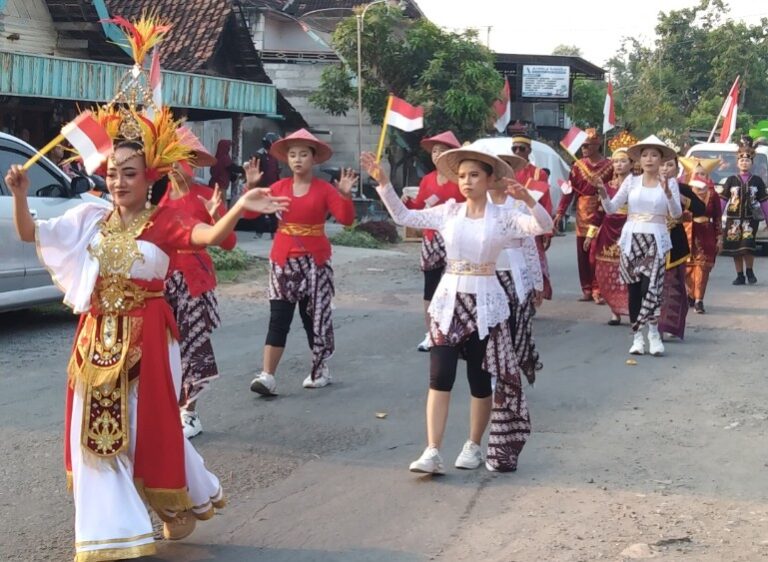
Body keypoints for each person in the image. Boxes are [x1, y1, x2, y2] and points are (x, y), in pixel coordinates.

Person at [5, 105, 289, 559]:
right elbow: (27, 232)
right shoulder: (90, 218)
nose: (118, 182)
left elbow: (210, 236)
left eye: (130, 174)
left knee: (146, 430)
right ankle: (112, 532)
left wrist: (239, 204)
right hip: (95, 338)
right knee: (93, 434)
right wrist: (20, 193)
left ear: (148, 176)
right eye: (113, 173)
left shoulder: (165, 221)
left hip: (149, 338)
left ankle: (172, 507)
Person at [362, 142, 554, 474]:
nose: (467, 181)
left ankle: (474, 445)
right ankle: (432, 449)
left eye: (474, 175)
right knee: (440, 375)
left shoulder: (506, 217)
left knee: (479, 380)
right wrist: (383, 183)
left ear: (489, 179)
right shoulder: (448, 212)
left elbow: (543, 225)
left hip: (486, 303)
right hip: (449, 301)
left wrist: (527, 199)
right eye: (462, 176)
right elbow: (405, 216)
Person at [248, 129, 357, 396]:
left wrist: (344, 194)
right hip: (283, 260)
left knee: (313, 318)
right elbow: (250, 214)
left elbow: (346, 220)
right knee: (278, 318)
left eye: (304, 154)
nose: (298, 160)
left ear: (314, 158)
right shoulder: (277, 188)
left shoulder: (325, 189)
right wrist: (251, 188)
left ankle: (320, 369)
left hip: (315, 263)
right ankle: (268, 376)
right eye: (293, 154)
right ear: (287, 159)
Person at [161, 127, 236, 439]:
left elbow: (229, 241)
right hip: (163, 282)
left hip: (194, 281)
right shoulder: (157, 198)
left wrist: (215, 213)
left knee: (193, 345)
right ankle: (167, 407)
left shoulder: (206, 196)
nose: (179, 166)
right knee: (165, 348)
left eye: (184, 159)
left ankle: (190, 412)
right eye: (173, 159)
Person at [597, 135, 682, 357]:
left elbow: (676, 214)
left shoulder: (669, 182)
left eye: (654, 155)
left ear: (662, 159)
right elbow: (611, 208)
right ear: (639, 160)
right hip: (631, 238)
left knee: (650, 287)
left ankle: (653, 333)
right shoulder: (631, 181)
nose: (649, 159)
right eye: (645, 155)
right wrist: (603, 192)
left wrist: (668, 192)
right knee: (634, 290)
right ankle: (637, 337)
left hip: (656, 239)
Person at [401, 131, 463, 351]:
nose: (437, 155)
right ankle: (431, 332)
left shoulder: (460, 180)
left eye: (442, 151)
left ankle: (453, 330)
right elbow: (419, 208)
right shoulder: (427, 180)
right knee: (431, 288)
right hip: (430, 239)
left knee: (454, 288)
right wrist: (407, 204)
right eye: (435, 151)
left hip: (455, 241)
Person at [494, 151, 544, 386]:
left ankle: (510, 372)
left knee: (514, 325)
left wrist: (537, 282)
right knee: (492, 328)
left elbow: (530, 244)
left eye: (506, 169)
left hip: (515, 273)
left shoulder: (519, 203)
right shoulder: (476, 202)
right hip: (486, 275)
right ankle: (494, 377)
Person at [555, 128, 614, 303]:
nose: (584, 149)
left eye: (587, 145)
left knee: (596, 251)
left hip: (601, 210)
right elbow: (569, 191)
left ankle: (598, 288)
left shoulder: (609, 166)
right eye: (582, 146)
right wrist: (560, 211)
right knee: (582, 252)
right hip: (582, 211)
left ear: (597, 145)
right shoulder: (577, 166)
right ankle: (586, 288)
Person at [587, 131, 638, 325]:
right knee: (605, 269)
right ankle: (614, 311)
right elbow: (601, 211)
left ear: (632, 163)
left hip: (629, 228)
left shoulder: (637, 185)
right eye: (616, 161)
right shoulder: (607, 186)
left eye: (623, 161)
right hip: (609, 230)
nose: (619, 165)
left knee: (627, 270)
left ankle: (629, 306)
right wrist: (591, 234)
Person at [657, 154, 705, 341]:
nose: (665, 169)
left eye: (670, 165)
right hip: (652, 239)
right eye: (662, 165)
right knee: (654, 286)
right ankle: (653, 325)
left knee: (673, 286)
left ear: (677, 169)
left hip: (675, 241)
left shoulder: (682, 188)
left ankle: (669, 325)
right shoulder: (647, 187)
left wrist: (686, 200)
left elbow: (701, 209)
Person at [511, 134, 554, 301]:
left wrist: (547, 231)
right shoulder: (507, 172)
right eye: (514, 149)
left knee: (532, 261)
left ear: (529, 150)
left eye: (521, 148)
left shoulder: (538, 174)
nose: (518, 152)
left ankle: (532, 295)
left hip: (532, 224)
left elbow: (546, 201)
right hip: (511, 224)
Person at [720, 138, 768, 285]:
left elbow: (764, 202)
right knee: (735, 248)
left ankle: (750, 271)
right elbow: (723, 200)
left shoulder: (757, 181)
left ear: (751, 163)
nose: (744, 163)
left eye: (747, 161)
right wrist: (716, 217)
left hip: (750, 219)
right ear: (737, 163)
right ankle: (739, 275)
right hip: (733, 219)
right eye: (741, 160)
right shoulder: (731, 180)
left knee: (748, 246)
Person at [679, 157, 722, 313]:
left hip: (706, 234)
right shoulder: (684, 191)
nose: (700, 176)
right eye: (697, 173)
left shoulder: (713, 194)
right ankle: (690, 294)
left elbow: (717, 216)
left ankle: (699, 300)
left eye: (703, 174)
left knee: (702, 269)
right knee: (687, 269)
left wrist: (719, 236)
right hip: (687, 232)